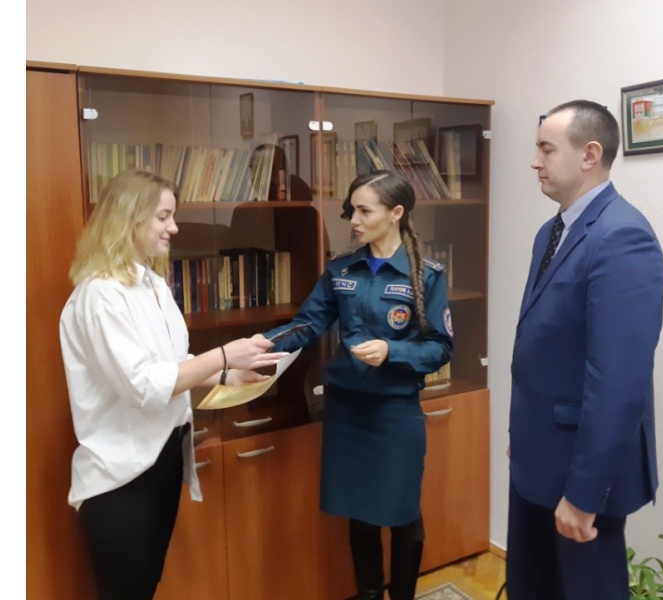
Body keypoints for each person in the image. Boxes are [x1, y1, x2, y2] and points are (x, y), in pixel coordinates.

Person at [59, 169, 286, 600]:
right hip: (121, 478)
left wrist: (228, 374)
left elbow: (172, 365)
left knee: (145, 586)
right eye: (163, 217)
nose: (174, 227)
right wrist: (223, 355)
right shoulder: (100, 295)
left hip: (163, 458)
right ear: (128, 218)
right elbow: (142, 387)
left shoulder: (154, 284)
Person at [262, 170, 453, 600]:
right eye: (352, 210)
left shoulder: (427, 275)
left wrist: (392, 351)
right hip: (347, 412)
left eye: (365, 211)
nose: (354, 220)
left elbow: (440, 348)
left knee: (402, 511)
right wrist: (258, 347)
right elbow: (307, 324)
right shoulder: (341, 269)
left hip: (394, 412)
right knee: (360, 511)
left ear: (396, 213)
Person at [506, 100, 663, 599]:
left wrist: (584, 493)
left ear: (589, 154)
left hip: (581, 473)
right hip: (538, 455)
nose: (535, 162)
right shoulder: (551, 232)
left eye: (546, 149)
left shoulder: (623, 237)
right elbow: (546, 347)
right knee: (533, 586)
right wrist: (524, 437)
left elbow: (618, 382)